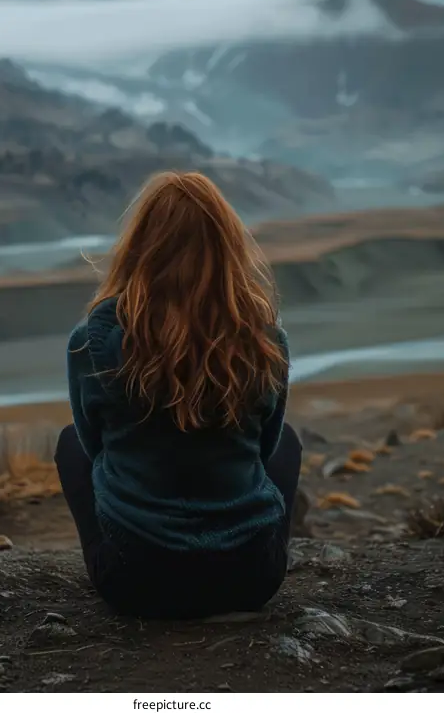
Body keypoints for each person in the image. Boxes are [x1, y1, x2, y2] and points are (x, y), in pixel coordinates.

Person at [55, 171, 301, 619]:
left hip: (135, 583)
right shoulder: (265, 339)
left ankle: (131, 553)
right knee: (291, 443)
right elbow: (265, 449)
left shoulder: (91, 340)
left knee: (70, 444)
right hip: (251, 579)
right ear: (228, 245)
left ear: (139, 246)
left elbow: (95, 449)